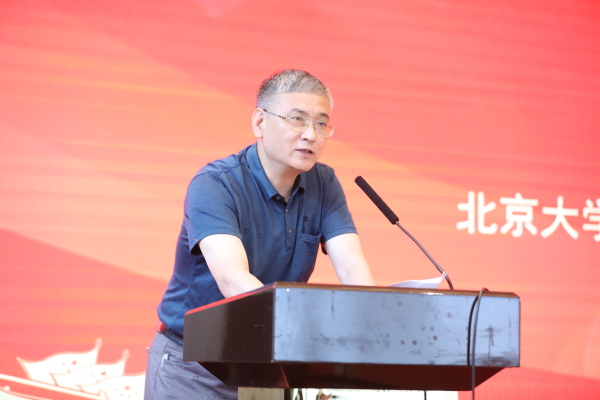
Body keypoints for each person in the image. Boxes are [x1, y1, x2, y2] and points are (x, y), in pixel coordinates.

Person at [144, 69, 375, 400]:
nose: (310, 134)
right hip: (195, 365)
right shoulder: (215, 184)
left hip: (269, 365)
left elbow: (353, 270)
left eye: (321, 123)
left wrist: (376, 322)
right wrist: (309, 329)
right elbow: (233, 282)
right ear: (259, 122)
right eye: (298, 119)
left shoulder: (324, 183)